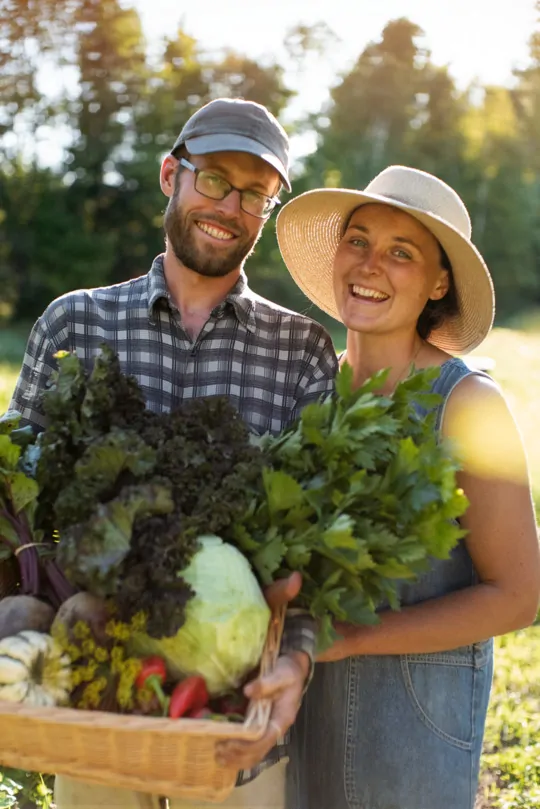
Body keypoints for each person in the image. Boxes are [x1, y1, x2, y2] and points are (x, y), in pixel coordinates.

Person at [9, 97, 338, 809]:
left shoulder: (302, 351)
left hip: (229, 724)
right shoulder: (74, 320)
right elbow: (14, 502)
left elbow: (310, 554)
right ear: (170, 174)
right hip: (92, 708)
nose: (230, 205)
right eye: (214, 178)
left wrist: (297, 656)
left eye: (255, 192)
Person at [275, 165, 540, 809]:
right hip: (299, 712)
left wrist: (359, 637)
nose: (370, 266)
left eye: (402, 253)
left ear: (438, 282)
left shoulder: (469, 404)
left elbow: (519, 597)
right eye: (358, 241)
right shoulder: (310, 394)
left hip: (415, 726)